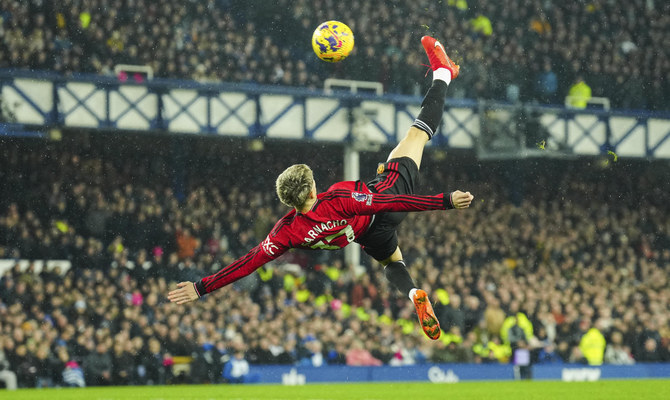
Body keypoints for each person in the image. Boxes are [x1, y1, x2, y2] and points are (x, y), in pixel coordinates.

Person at [168, 36, 474, 341]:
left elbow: (246, 263)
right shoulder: (338, 198)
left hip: (367, 236)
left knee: (392, 261)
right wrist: (445, 200)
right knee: (416, 135)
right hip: (384, 202)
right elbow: (386, 203)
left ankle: (413, 292)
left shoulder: (286, 232)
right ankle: (442, 73)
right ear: (313, 190)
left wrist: (200, 287)